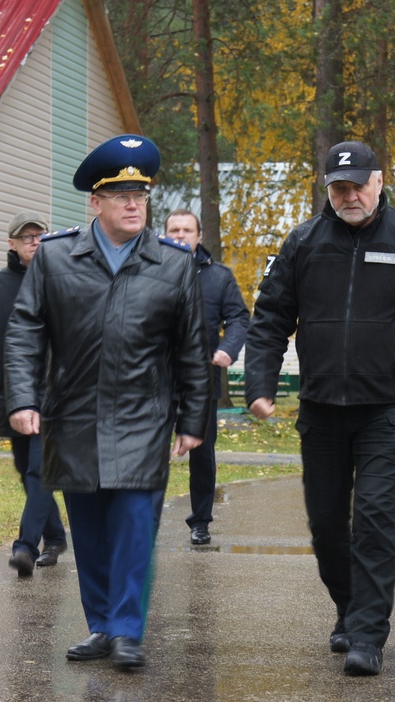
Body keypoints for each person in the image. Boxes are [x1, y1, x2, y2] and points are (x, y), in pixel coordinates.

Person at [244, 141, 395, 676]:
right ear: (328, 190)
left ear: (379, 181)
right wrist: (261, 384)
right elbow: (271, 319)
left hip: (388, 409)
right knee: (325, 525)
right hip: (321, 407)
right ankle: (348, 608)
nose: (348, 196)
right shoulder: (303, 243)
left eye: (357, 185)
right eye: (338, 188)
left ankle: (369, 634)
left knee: (373, 515)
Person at [2, 135, 211, 670]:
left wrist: (192, 419)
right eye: (120, 194)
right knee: (90, 529)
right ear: (95, 203)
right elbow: (25, 330)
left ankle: (126, 630)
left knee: (134, 525)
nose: (134, 203)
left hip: (144, 416)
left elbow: (191, 347)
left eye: (140, 193)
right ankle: (100, 625)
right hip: (71, 416)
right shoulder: (54, 257)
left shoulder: (174, 264)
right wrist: (23, 398)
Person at [0, 211, 67, 578]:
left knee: (38, 469)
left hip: (53, 391)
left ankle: (25, 548)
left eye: (40, 236)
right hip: (13, 392)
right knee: (26, 469)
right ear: (13, 244)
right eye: (27, 238)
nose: (35, 242)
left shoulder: (63, 280)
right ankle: (54, 536)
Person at [164, 209, 251, 546]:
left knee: (202, 455)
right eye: (174, 229)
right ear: (164, 233)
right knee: (150, 453)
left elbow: (240, 319)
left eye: (187, 230)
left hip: (201, 382)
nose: (180, 235)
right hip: (154, 381)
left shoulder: (219, 277)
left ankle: (200, 521)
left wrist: (228, 348)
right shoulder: (147, 271)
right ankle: (143, 518)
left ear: (199, 236)